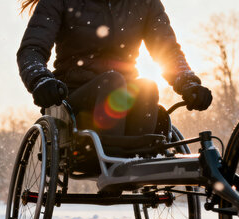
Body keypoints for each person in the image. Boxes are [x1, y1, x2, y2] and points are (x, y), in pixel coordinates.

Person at [17, 0, 212, 139]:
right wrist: (40, 79)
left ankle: (138, 157)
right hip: (76, 101)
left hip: (127, 101)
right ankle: (114, 158)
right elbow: (32, 49)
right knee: (112, 82)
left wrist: (189, 83)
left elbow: (167, 51)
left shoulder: (144, 3)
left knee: (146, 87)